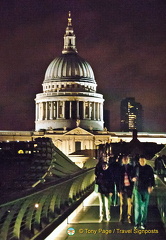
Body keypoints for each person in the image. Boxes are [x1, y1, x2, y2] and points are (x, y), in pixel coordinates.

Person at [132, 156, 155, 229]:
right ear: (139, 161)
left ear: (145, 161)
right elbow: (131, 176)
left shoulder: (149, 168)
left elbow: (152, 178)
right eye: (141, 161)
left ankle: (142, 222)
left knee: (144, 207)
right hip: (137, 188)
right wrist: (132, 179)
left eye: (143, 161)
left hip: (145, 189)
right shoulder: (136, 168)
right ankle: (137, 222)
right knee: (137, 206)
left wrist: (151, 186)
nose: (142, 162)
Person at [118, 155, 134, 224]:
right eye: (124, 159)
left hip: (129, 188)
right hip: (122, 188)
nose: (125, 160)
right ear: (122, 160)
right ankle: (122, 217)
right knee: (122, 203)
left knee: (130, 203)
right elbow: (118, 180)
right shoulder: (120, 168)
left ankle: (129, 217)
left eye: (126, 159)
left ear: (128, 160)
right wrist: (119, 190)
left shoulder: (131, 167)